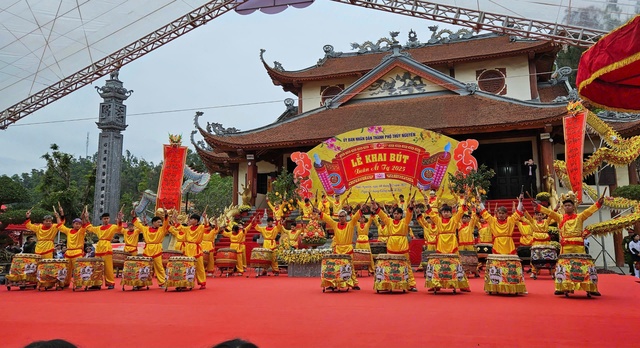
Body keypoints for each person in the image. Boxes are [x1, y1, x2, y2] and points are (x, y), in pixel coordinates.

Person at [535, 191, 603, 296]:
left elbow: (589, 211)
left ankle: (590, 287)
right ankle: (562, 287)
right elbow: (550, 213)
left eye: (569, 205)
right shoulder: (560, 217)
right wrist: (538, 207)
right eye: (565, 205)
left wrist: (598, 204)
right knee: (565, 267)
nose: (567, 207)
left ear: (573, 206)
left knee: (583, 266)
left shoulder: (579, 217)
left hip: (578, 246)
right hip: (566, 246)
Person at [372, 199, 418, 292]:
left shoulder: (405, 222)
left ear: (401, 215)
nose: (396, 215)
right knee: (389, 265)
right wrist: (376, 206)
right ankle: (388, 283)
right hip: (391, 245)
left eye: (398, 213)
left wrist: (411, 206)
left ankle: (411, 284)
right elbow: (382, 215)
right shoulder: (389, 221)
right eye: (395, 213)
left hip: (402, 246)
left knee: (406, 265)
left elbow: (409, 215)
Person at [317, 207, 361, 290]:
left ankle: (354, 283)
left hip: (348, 248)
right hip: (338, 249)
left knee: (350, 266)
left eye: (343, 216)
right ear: (338, 218)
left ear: (346, 217)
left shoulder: (350, 224)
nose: (341, 218)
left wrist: (360, 210)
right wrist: (320, 212)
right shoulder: (335, 224)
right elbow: (328, 219)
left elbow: (355, 217)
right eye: (340, 216)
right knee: (336, 267)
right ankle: (333, 283)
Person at [172, 213, 209, 289]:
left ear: (196, 220)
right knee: (187, 266)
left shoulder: (200, 227)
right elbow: (179, 226)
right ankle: (186, 282)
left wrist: (205, 218)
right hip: (188, 248)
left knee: (199, 267)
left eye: (191, 219)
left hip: (196, 248)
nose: (190, 220)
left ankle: (202, 283)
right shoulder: (188, 228)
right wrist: (175, 219)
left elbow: (207, 226)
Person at [133, 210, 169, 287]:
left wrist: (166, 215)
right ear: (153, 222)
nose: (160, 224)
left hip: (157, 249)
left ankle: (162, 282)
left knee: (159, 267)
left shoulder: (162, 229)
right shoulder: (145, 229)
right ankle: (142, 282)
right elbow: (138, 225)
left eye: (160, 222)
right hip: (148, 249)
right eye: (158, 222)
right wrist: (134, 217)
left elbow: (166, 224)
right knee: (144, 266)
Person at [86, 212, 123, 289]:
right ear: (102, 219)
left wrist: (119, 219)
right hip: (99, 247)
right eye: (104, 219)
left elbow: (119, 228)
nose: (106, 220)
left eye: (107, 218)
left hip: (106, 246)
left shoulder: (112, 227)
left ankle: (110, 283)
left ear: (109, 219)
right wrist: (87, 218)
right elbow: (90, 228)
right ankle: (96, 283)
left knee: (108, 266)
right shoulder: (98, 228)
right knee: (97, 266)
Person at [57, 213, 89, 288]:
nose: (77, 225)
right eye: (76, 223)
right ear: (73, 224)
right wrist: (58, 216)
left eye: (79, 224)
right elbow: (60, 226)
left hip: (77, 252)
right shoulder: (68, 231)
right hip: (68, 252)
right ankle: (65, 283)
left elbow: (84, 225)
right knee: (66, 269)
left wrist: (84, 218)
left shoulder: (81, 231)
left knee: (78, 269)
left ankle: (78, 283)